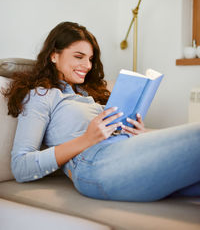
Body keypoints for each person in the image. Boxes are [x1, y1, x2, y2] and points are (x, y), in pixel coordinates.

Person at [2, 21, 200, 201]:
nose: (87, 66)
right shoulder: (42, 95)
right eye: (79, 57)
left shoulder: (89, 95)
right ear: (54, 55)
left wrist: (138, 133)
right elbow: (21, 166)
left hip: (124, 152)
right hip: (94, 164)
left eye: (90, 59)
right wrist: (87, 139)